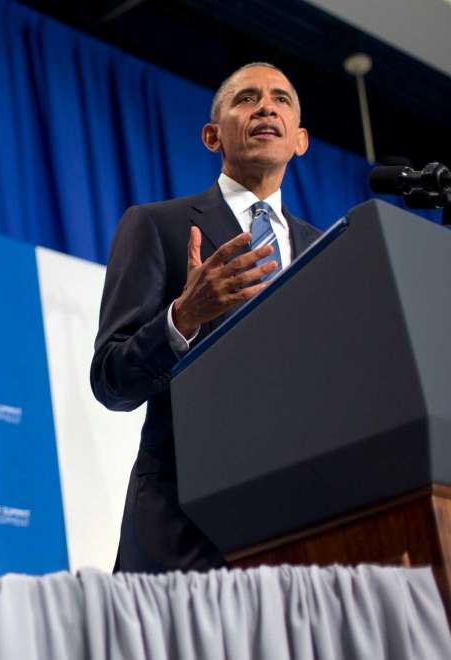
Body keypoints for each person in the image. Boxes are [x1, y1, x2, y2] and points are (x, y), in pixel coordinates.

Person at [90, 62, 322, 573]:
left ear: (301, 140)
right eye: (247, 98)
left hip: (303, 535)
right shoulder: (157, 226)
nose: (266, 106)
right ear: (211, 135)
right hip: (186, 535)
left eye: (281, 99)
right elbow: (111, 381)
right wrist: (184, 316)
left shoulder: (327, 252)